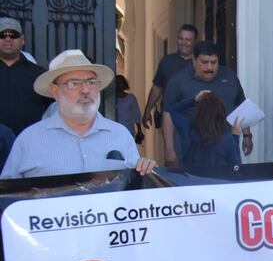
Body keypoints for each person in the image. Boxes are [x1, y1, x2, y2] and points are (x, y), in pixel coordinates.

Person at [1, 50, 156, 179]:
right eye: (74, 83)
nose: (85, 90)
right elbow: (7, 201)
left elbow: (133, 194)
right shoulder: (29, 141)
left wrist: (147, 171)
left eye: (91, 82)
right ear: (55, 91)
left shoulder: (121, 135)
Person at [162, 40, 252, 166]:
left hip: (224, 147)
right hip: (192, 148)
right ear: (194, 60)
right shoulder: (178, 80)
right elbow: (168, 113)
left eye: (213, 62)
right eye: (204, 62)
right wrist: (169, 149)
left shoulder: (230, 76)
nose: (209, 67)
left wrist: (247, 135)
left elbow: (241, 105)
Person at [0, 17, 50, 135]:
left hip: (30, 144)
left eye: (13, 35)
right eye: (2, 35)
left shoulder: (39, 75)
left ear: (22, 40)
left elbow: (53, 109)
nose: (8, 39)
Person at [142, 24, 197, 130]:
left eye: (188, 40)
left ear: (195, 41)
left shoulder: (201, 64)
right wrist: (148, 110)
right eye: (180, 39)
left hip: (196, 119)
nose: (183, 43)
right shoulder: (167, 62)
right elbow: (157, 87)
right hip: (171, 119)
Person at [168, 91, 242, 167]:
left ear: (199, 112)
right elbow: (236, 167)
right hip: (217, 178)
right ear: (221, 115)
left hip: (191, 178)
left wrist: (194, 100)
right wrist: (235, 136)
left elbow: (173, 110)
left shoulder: (187, 131)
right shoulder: (226, 138)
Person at [114, 75, 144, 144]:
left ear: (124, 84)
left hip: (128, 130)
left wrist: (139, 130)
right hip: (114, 131)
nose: (119, 85)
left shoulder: (131, 98)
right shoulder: (110, 99)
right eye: (117, 83)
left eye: (120, 82)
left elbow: (137, 114)